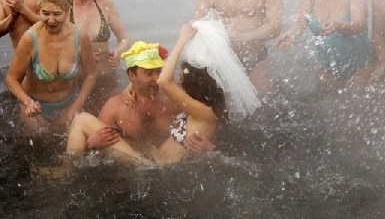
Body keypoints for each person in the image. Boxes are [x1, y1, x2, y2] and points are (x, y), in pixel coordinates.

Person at [68, 11, 260, 165]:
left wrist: (183, 39)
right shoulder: (119, 104)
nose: (176, 80)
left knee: (81, 120)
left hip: (154, 167)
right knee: (83, 122)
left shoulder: (187, 106)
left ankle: (68, 169)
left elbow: (164, 82)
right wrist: (92, 144)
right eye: (149, 73)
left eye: (159, 71)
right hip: (150, 159)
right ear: (132, 76)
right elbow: (105, 143)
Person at [276, 0, 374, 89]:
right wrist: (290, 35)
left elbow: (358, 24)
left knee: (356, 107)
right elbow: (300, 21)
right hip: (325, 69)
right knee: (323, 107)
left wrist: (338, 25)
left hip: (359, 68)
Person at [5, 0, 97, 130]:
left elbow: (91, 73)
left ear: (68, 12)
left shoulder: (80, 37)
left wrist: (77, 105)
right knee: (41, 145)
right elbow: (11, 79)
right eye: (45, 13)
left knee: (74, 147)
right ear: (39, 11)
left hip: (70, 103)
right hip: (36, 106)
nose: (51, 20)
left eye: (57, 14)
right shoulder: (30, 39)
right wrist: (27, 102)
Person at [61, 0, 130, 112]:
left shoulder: (105, 4)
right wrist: (80, 56)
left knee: (109, 123)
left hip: (106, 78)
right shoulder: (63, 6)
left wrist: (118, 52)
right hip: (74, 81)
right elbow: (51, 44)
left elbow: (124, 38)